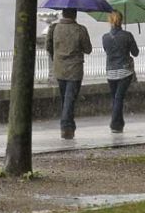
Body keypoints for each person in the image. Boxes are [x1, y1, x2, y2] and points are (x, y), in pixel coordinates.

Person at [46, 8, 92, 140]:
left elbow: (48, 47)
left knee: (66, 99)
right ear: (75, 15)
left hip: (59, 69)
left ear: (63, 13)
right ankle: (66, 127)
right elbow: (88, 49)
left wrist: (57, 58)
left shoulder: (54, 28)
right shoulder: (80, 29)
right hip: (75, 70)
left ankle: (70, 126)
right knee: (70, 99)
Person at [102, 11, 139, 133]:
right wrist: (128, 42)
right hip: (125, 71)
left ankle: (119, 123)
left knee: (115, 98)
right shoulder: (127, 35)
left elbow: (108, 51)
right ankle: (114, 124)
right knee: (119, 98)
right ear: (121, 21)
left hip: (111, 72)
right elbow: (135, 53)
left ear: (110, 21)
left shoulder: (105, 37)